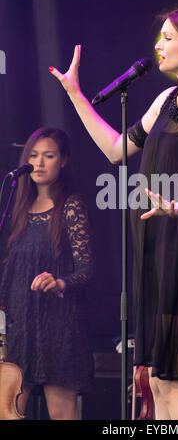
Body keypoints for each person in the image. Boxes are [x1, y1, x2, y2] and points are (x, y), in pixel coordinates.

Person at [49, 2, 178, 421]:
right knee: (158, 380)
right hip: (159, 254)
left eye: (169, 38)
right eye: (160, 37)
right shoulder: (164, 99)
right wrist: (76, 95)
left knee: (174, 380)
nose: (159, 45)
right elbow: (117, 149)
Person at [0, 128, 94, 420]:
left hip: (59, 328)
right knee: (9, 411)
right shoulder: (18, 207)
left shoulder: (70, 206)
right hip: (21, 328)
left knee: (62, 412)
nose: (39, 163)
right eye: (33, 155)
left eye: (48, 156)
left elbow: (87, 270)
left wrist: (60, 282)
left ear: (63, 160)